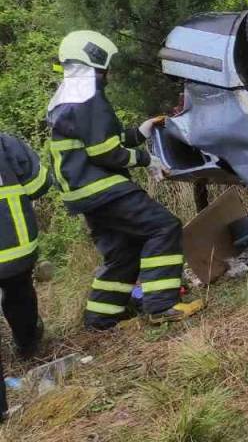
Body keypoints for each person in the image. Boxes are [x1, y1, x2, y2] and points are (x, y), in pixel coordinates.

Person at [46, 31, 203, 329]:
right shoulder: (87, 94)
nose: (108, 72)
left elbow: (106, 139)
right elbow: (104, 151)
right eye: (105, 66)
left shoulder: (69, 94)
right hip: (103, 188)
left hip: (84, 194)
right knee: (163, 227)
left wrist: (139, 133)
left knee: (123, 253)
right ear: (94, 60)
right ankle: (161, 305)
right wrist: (146, 159)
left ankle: (101, 319)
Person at [0, 132, 52, 421]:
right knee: (19, 293)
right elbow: (39, 184)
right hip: (15, 248)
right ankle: (27, 343)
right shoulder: (5, 143)